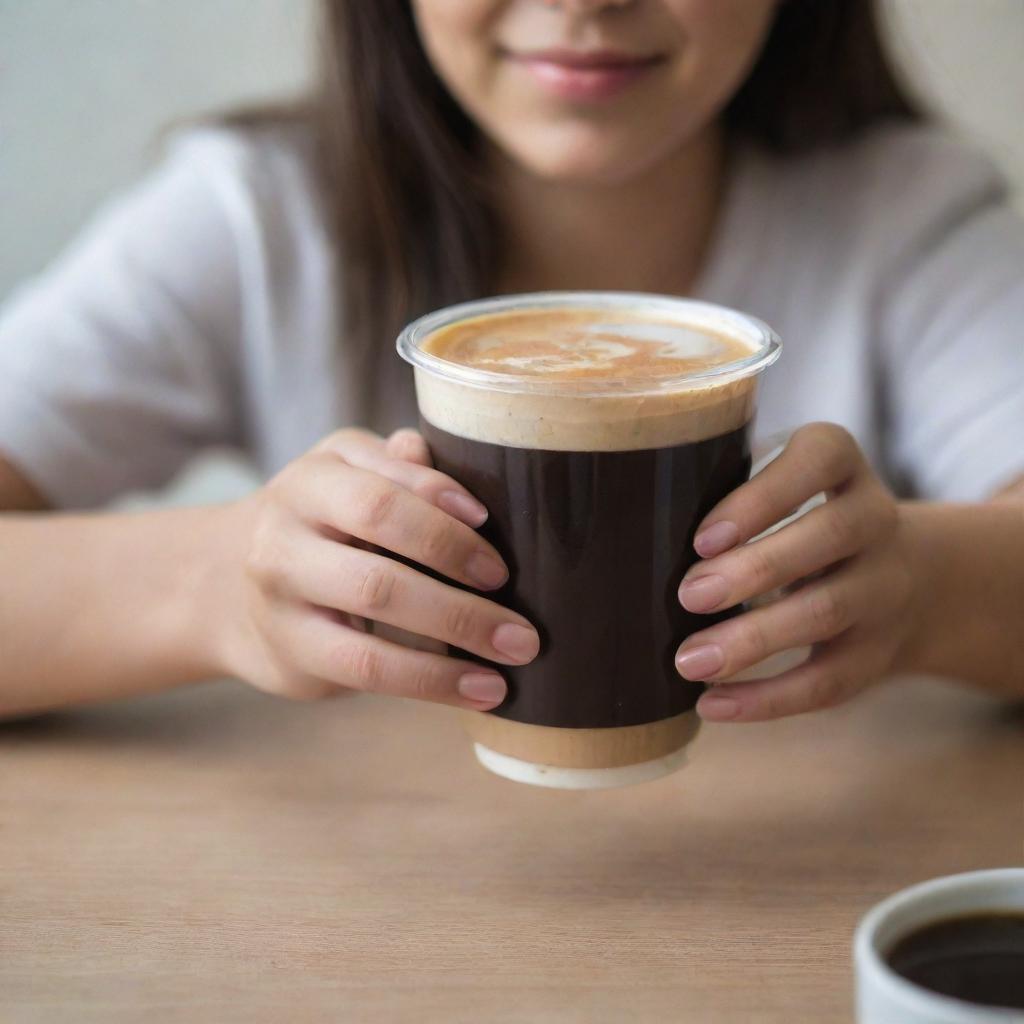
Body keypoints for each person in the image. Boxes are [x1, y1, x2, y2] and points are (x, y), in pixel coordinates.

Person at [1, 0, 1022, 724]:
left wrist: (924, 588)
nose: (585, 3)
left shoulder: (903, 222)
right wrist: (221, 588)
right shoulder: (255, 220)